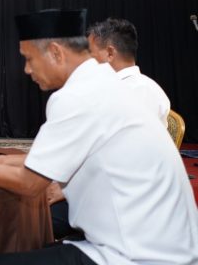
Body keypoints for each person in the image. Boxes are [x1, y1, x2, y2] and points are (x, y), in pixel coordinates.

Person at [0, 8, 198, 264]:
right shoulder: (101, 84)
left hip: (138, 256)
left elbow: (30, 184)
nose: (27, 70)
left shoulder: (78, 96)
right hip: (154, 245)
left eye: (29, 59)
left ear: (56, 52)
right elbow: (39, 164)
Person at [48, 16, 173, 240]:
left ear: (110, 53)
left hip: (120, 210)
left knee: (28, 217)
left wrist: (67, 190)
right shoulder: (125, 89)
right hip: (105, 196)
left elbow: (124, 164)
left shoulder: (136, 93)